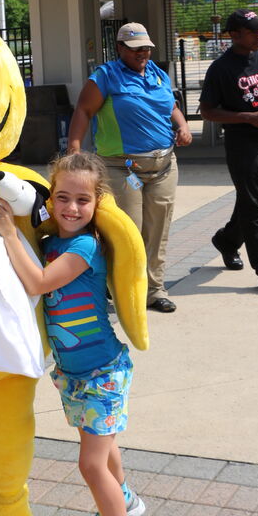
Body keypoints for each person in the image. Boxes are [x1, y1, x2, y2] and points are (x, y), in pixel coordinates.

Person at [0, 151, 149, 516]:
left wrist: (7, 235)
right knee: (105, 446)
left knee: (90, 462)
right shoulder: (52, 242)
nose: (72, 208)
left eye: (83, 199)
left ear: (99, 202)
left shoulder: (86, 247)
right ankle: (125, 502)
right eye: (63, 197)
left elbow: (39, 283)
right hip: (75, 372)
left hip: (102, 371)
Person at [67, 22, 192, 313]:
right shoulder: (106, 76)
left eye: (146, 47)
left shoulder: (158, 74)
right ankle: (120, 286)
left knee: (157, 229)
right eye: (136, 49)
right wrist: (74, 150)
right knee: (127, 231)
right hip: (122, 168)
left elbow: (171, 105)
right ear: (120, 48)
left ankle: (154, 289)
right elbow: (84, 110)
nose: (143, 53)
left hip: (163, 165)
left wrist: (183, 125)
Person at [199, 9, 258, 297]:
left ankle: (227, 240)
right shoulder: (221, 68)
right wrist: (246, 117)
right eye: (253, 31)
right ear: (234, 35)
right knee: (253, 208)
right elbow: (207, 111)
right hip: (242, 144)